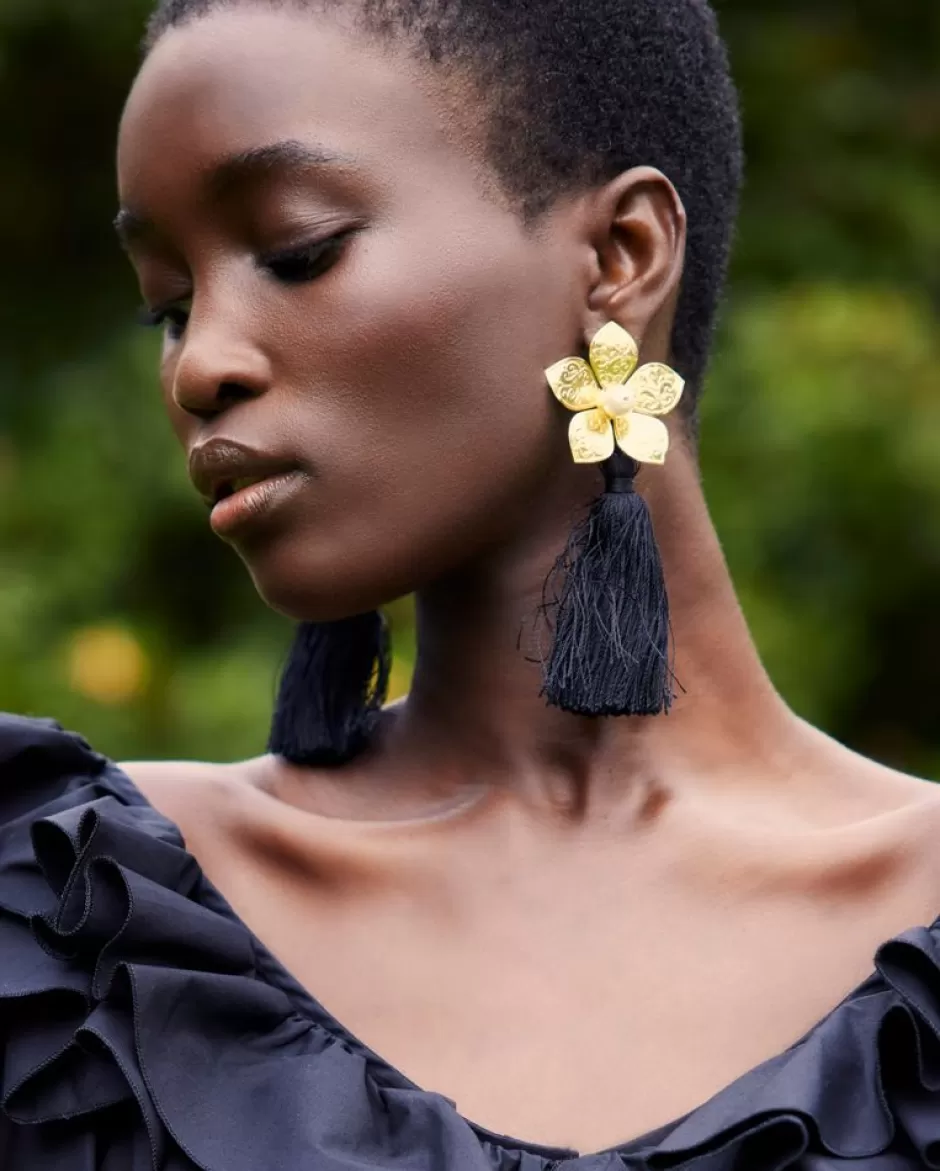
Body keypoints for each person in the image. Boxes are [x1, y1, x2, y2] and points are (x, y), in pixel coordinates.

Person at [1, 1, 938, 1168]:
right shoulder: (66, 924)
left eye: (298, 252)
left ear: (619, 258)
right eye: (170, 305)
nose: (200, 364)